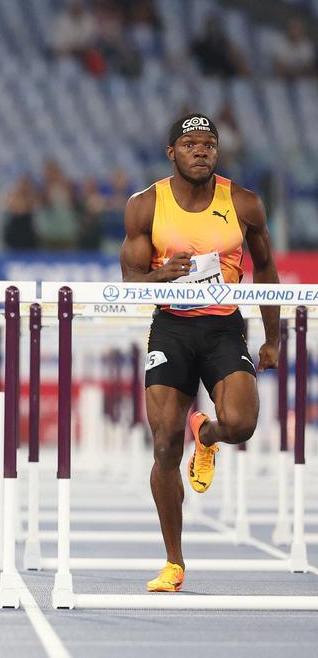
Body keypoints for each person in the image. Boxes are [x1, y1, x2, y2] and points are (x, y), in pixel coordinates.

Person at [119, 113, 280, 593]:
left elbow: (267, 268)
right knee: (165, 444)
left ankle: (206, 434)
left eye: (208, 143)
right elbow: (129, 280)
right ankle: (174, 562)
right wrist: (159, 277)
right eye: (189, 144)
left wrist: (273, 338)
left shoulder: (244, 203)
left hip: (224, 327)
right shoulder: (145, 205)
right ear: (172, 152)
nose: (201, 151)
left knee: (242, 424)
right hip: (171, 328)